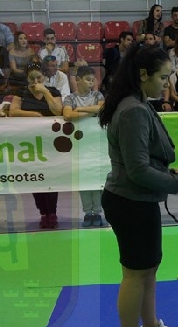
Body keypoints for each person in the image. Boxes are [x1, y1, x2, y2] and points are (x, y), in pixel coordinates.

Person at [97, 43, 178, 327]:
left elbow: (145, 160)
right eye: (162, 77)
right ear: (143, 74)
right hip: (129, 202)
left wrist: (168, 172)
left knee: (148, 268)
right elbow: (137, 170)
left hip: (138, 200)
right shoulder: (132, 109)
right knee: (135, 274)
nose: (166, 82)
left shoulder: (138, 103)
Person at [9, 63, 63, 228]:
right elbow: (13, 111)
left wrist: (45, 92)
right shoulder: (21, 92)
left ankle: (52, 212)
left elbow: (58, 111)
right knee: (36, 177)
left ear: (44, 77)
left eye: (38, 77)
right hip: (30, 143)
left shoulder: (53, 91)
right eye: (31, 78)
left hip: (50, 142)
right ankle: (43, 212)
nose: (35, 81)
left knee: (50, 177)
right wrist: (34, 114)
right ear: (27, 78)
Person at [63, 66, 106, 227]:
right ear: (78, 80)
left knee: (97, 179)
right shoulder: (70, 98)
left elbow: (102, 108)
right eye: (88, 80)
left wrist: (80, 109)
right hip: (79, 146)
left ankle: (98, 212)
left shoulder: (97, 95)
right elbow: (68, 115)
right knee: (84, 180)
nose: (91, 83)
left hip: (97, 145)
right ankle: (88, 213)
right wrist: (91, 112)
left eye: (93, 80)